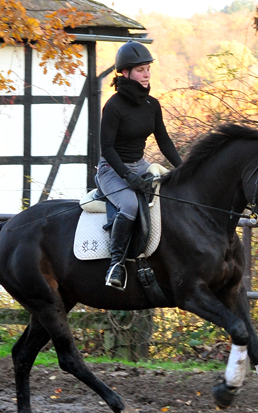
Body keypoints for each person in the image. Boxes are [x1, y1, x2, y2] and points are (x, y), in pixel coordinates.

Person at [97, 40, 183, 290]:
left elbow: (164, 141)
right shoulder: (113, 106)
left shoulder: (151, 104)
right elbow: (107, 149)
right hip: (112, 169)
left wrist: (184, 170)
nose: (146, 74)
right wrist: (127, 176)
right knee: (130, 204)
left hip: (140, 164)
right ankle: (116, 264)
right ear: (125, 73)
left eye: (148, 69)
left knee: (171, 193)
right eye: (140, 69)